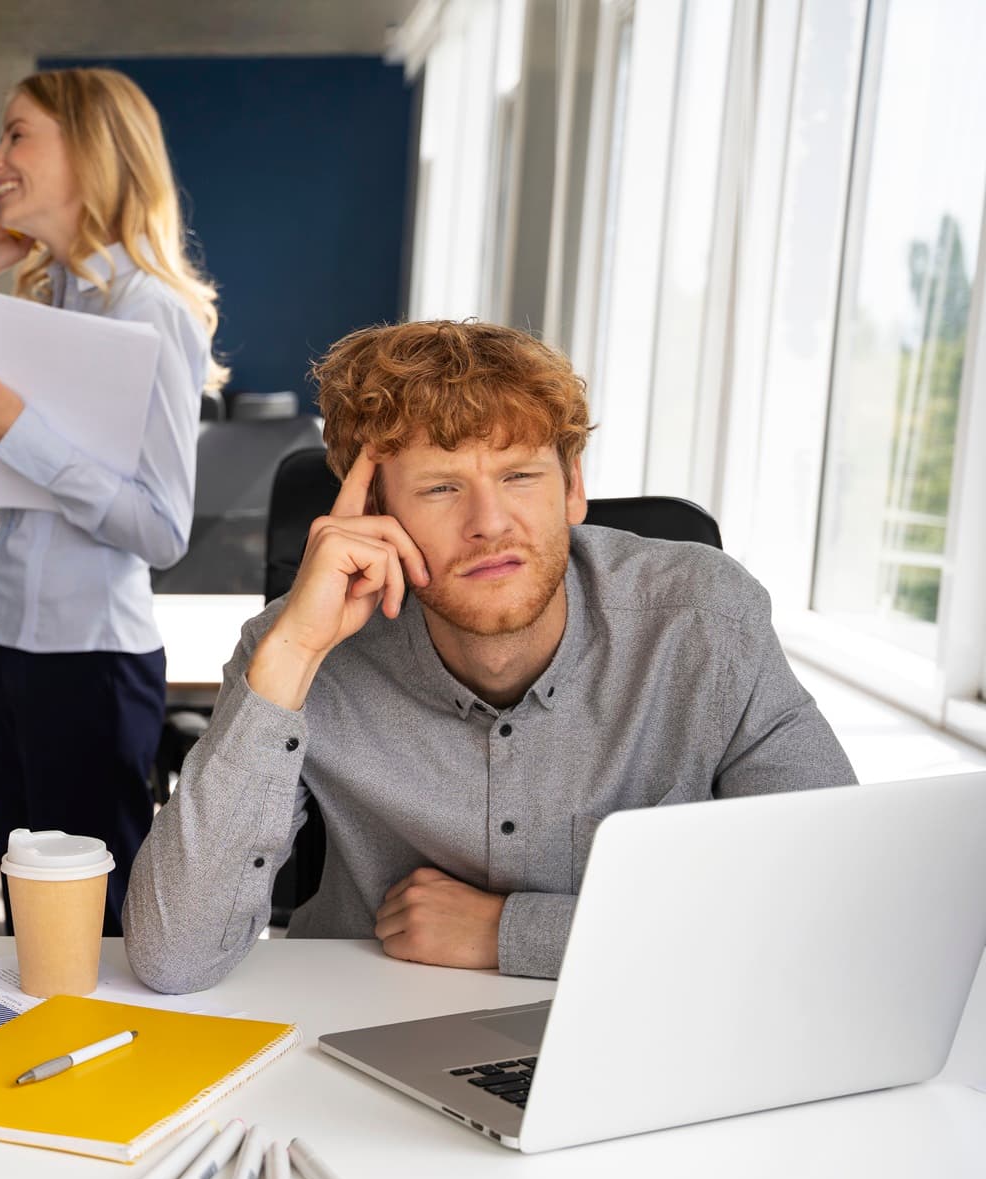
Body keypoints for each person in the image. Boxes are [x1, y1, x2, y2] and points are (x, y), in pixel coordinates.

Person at [124, 319, 857, 991]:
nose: (490, 524)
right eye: (441, 488)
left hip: (641, 1021)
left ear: (573, 488)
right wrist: (292, 654)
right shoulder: (298, 647)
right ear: (377, 516)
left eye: (519, 476)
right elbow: (173, 957)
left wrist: (511, 934)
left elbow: (835, 904)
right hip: (356, 1031)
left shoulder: (704, 622)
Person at [0, 67, 224, 936]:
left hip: (90, 663)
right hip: (10, 646)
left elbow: (160, 530)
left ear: (89, 152)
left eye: (17, 135)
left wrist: (21, 434)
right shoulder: (44, 296)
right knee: (33, 922)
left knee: (98, 932)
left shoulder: (149, 310)